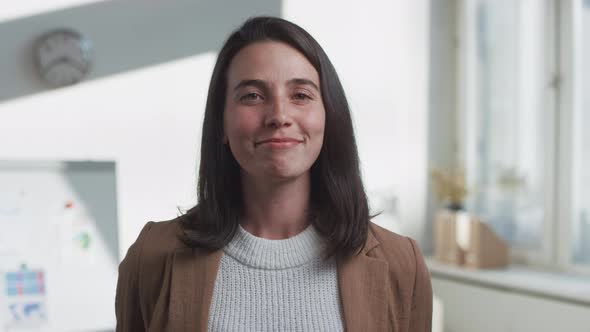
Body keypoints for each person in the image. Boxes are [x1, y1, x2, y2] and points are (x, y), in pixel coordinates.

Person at [115, 16, 432, 332]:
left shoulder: (402, 264)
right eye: (252, 95)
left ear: (328, 116)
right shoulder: (152, 255)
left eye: (301, 95)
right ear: (221, 123)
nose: (279, 115)